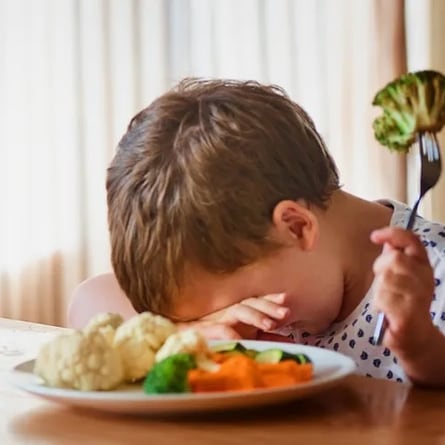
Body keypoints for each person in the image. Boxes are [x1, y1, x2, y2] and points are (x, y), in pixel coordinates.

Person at [69, 78, 445, 387]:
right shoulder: (282, 263)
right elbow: (88, 300)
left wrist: (420, 347)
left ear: (296, 227)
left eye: (242, 301)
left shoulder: (433, 275)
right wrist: (183, 333)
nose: (232, 318)